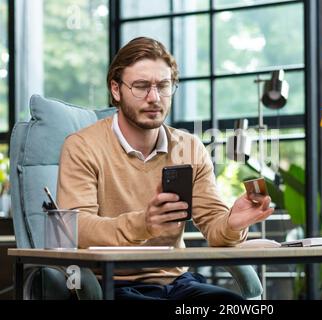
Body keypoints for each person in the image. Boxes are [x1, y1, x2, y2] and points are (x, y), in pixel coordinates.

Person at [57, 37, 274, 300]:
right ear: (116, 89)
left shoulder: (190, 147)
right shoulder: (82, 146)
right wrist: (144, 223)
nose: (154, 97)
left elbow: (216, 231)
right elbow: (77, 229)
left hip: (178, 282)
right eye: (141, 86)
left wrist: (232, 223)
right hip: (110, 284)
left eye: (163, 85)